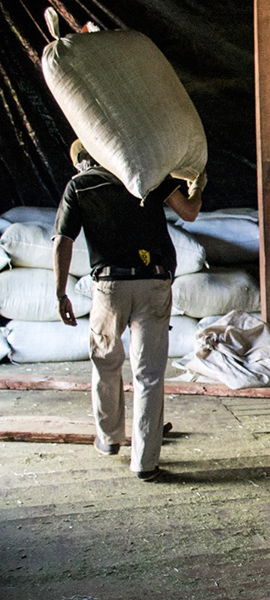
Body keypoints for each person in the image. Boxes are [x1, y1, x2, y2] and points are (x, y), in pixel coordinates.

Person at [53, 140, 205, 481]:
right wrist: (197, 187)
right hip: (153, 282)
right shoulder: (148, 175)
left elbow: (63, 239)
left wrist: (61, 292)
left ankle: (108, 439)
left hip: (109, 287)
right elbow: (190, 212)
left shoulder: (80, 185)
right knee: (149, 375)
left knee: (106, 363)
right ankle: (145, 463)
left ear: (84, 159)